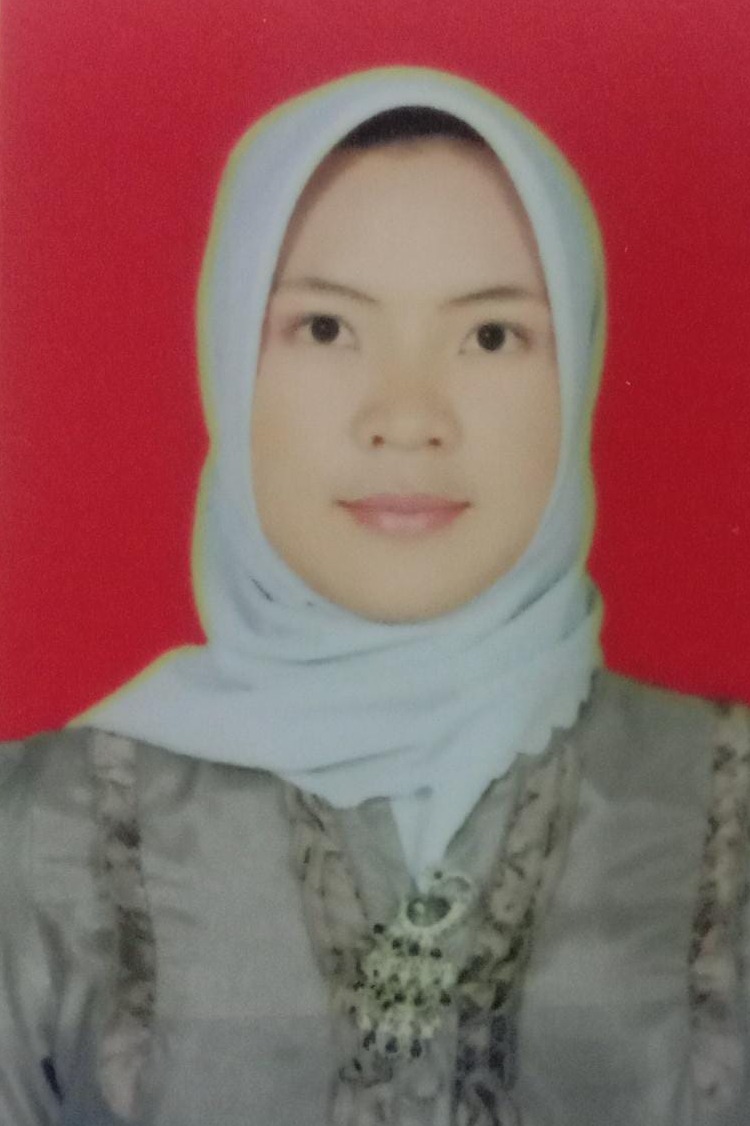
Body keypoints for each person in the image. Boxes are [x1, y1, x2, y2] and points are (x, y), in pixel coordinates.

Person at [1, 66, 748, 1126]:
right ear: (230, 364)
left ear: (578, 370)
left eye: (490, 336)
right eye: (326, 329)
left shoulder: (728, 808)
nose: (406, 416)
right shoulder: (39, 832)